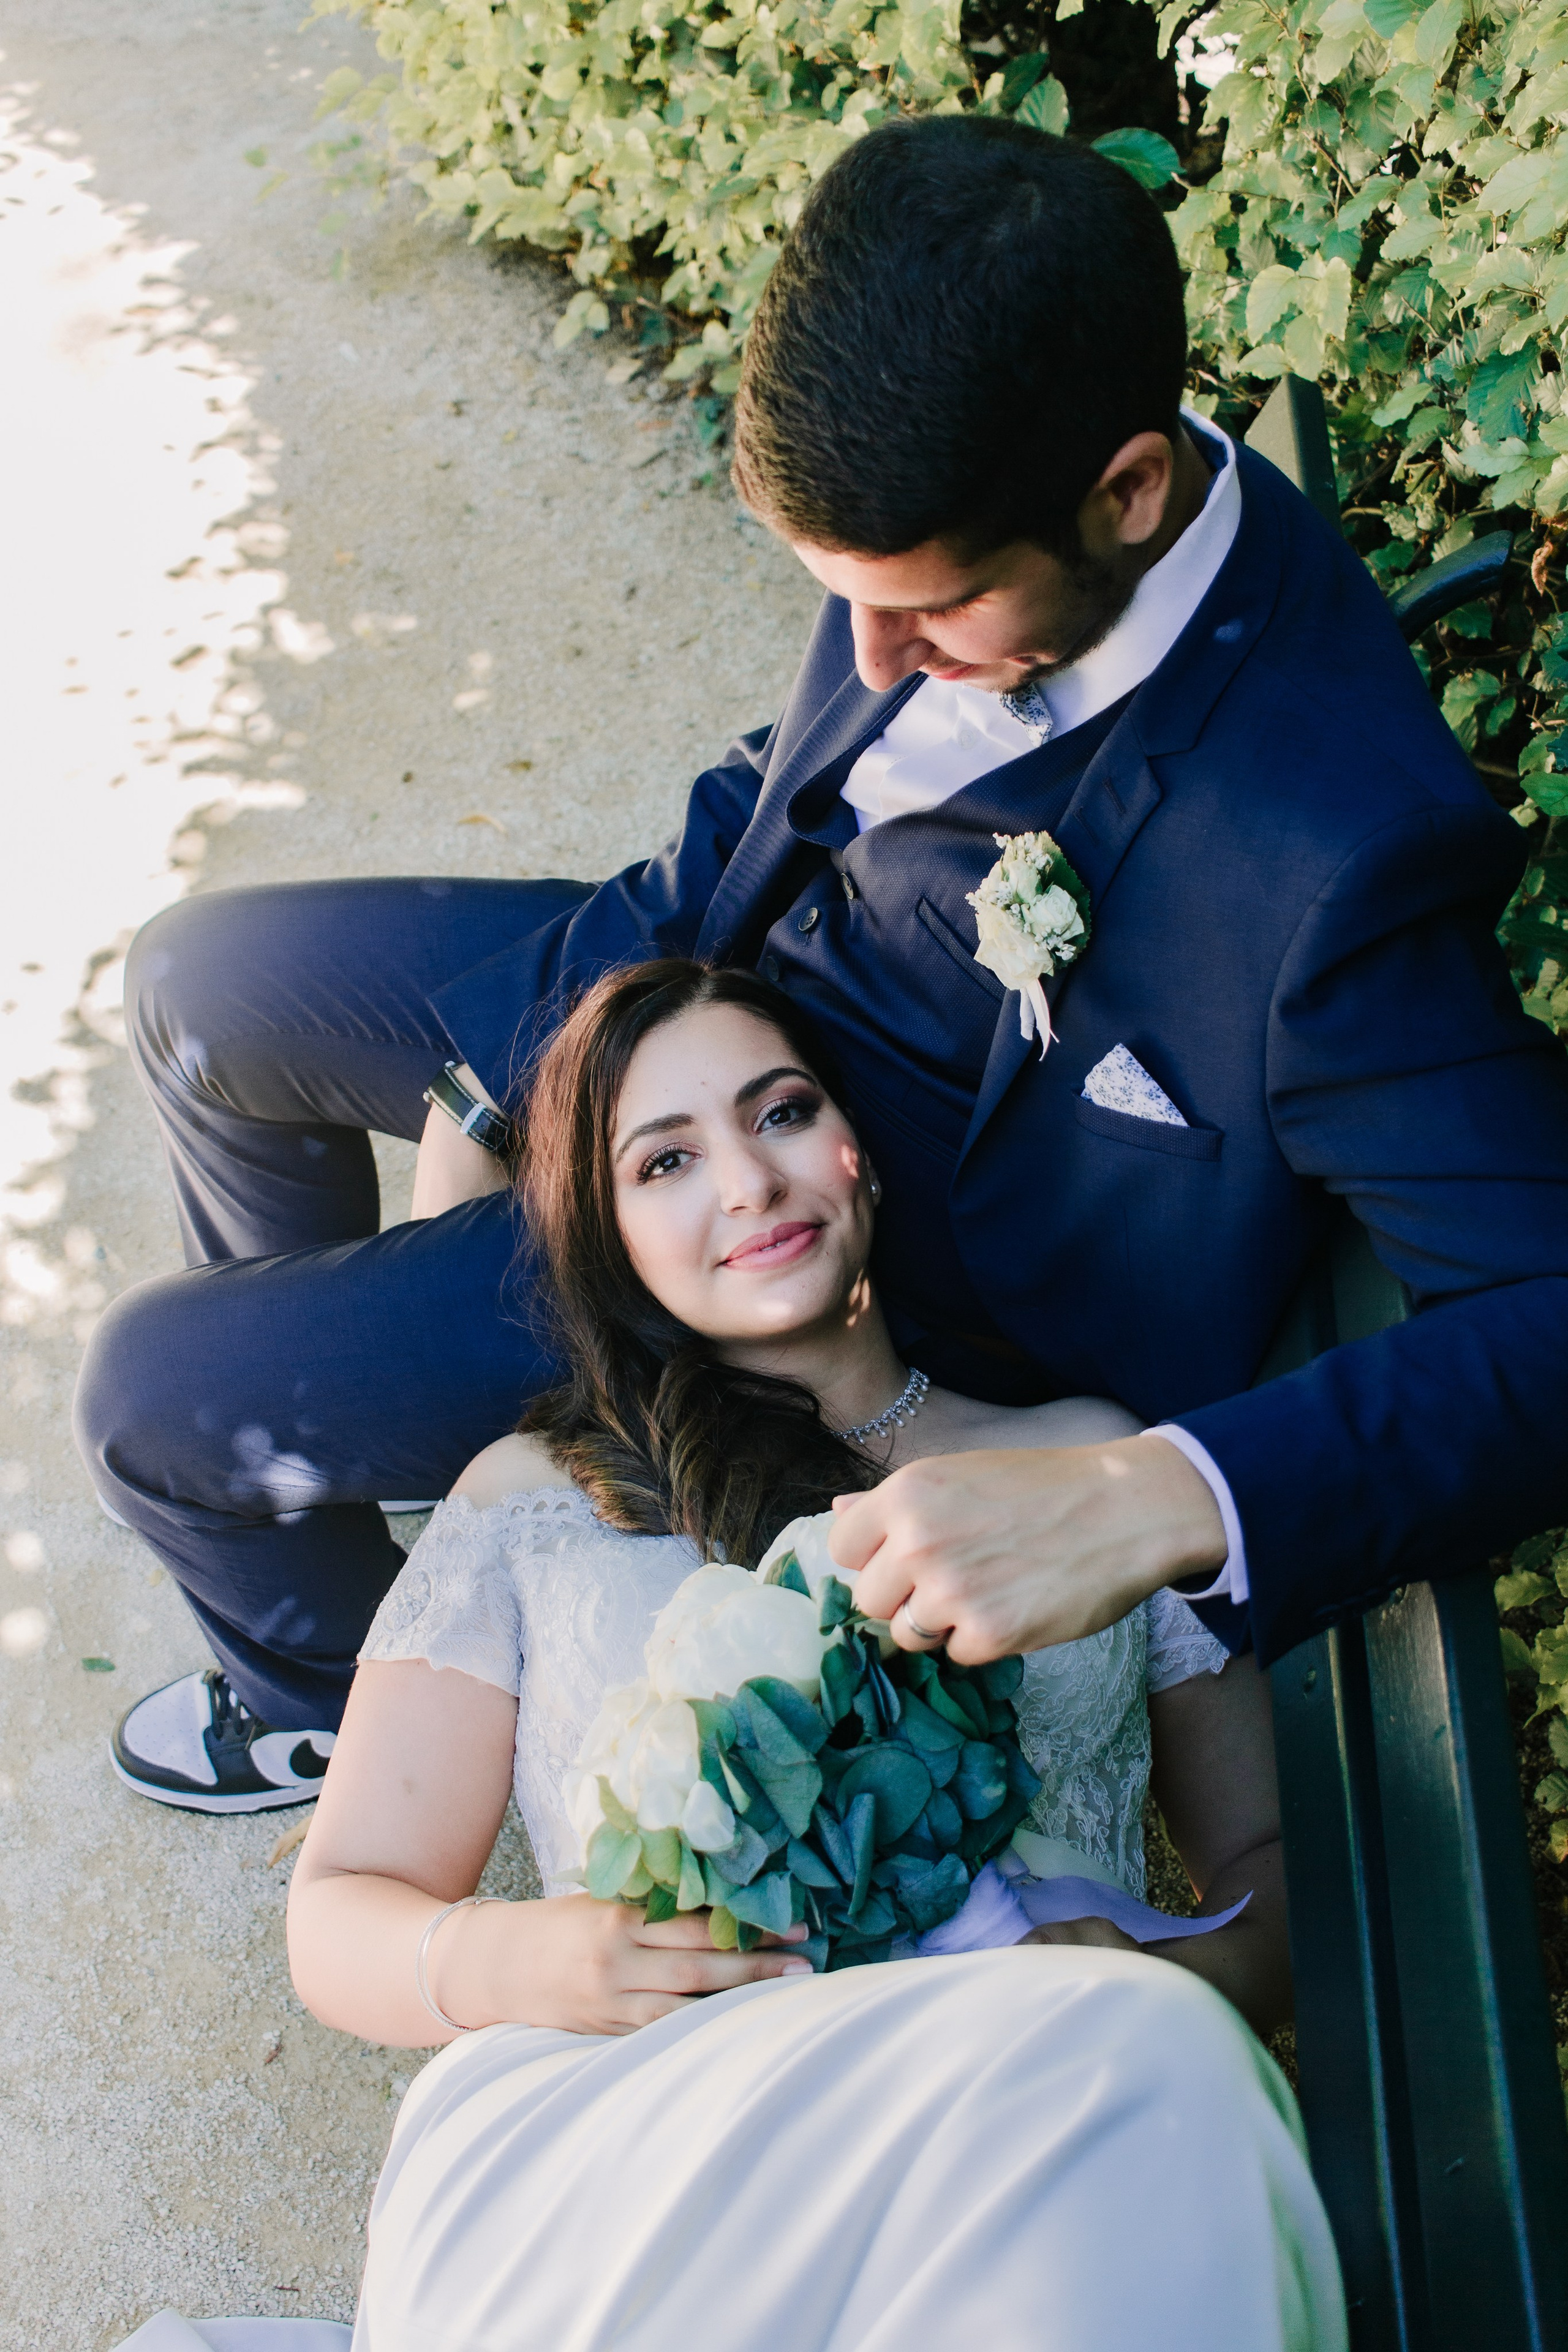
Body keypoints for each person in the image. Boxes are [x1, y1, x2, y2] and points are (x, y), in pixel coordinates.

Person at [78, 113, 1568, 1809]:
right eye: (837, 600)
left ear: (1129, 494)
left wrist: (1157, 1493)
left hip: (825, 1258)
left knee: (151, 1395)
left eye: (927, 618)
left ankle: (331, 1700)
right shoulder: (965, 457)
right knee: (200, 985)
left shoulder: (1334, 856)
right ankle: (369, 1623)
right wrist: (512, 1078)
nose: (875, 660)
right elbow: (770, 798)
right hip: (713, 1036)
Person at [273, 960, 1340, 2351]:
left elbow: (1267, 1852)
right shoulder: (535, 1498)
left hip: (1042, 2082)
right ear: (610, 1237)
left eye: (778, 1114)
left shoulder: (1082, 1456)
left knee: (1158, 2057)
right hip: (652, 2114)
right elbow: (342, 1908)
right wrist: (527, 1961)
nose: (746, 1182)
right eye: (665, 1160)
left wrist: (1208, 1977)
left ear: (863, 1157)